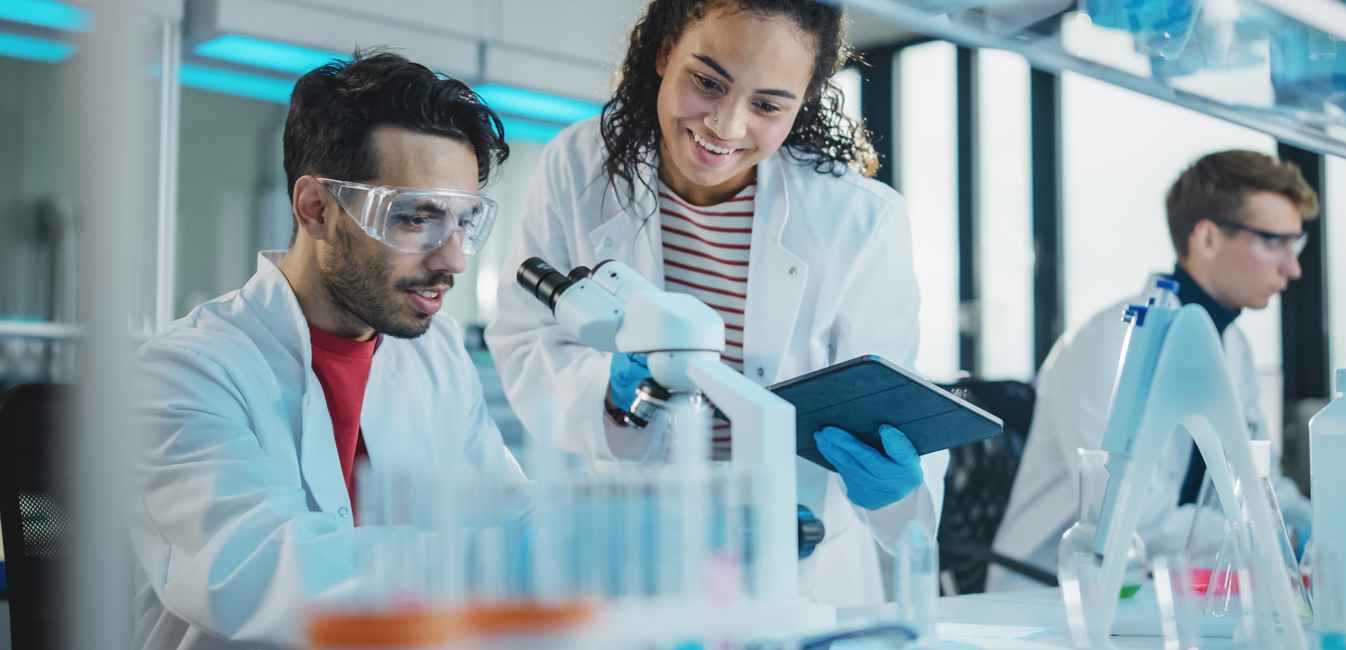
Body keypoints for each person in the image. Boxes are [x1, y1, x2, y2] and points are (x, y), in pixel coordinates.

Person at [486, 0, 947, 606]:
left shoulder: (858, 217)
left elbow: (888, 399)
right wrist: (611, 395)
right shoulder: (578, 166)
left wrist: (895, 492)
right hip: (634, 556)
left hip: (802, 568)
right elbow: (528, 341)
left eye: (767, 105)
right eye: (707, 83)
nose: (726, 126)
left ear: (802, 102)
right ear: (663, 52)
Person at [129, 52, 524, 650]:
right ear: (315, 208)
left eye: (465, 222)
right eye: (417, 218)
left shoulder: (435, 354)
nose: (453, 260)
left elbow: (509, 517)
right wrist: (496, 566)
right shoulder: (185, 372)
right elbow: (259, 572)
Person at [989, 150, 1318, 592]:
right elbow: (1134, 516)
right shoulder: (1114, 341)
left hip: (1161, 590)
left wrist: (1318, 531)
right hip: (1050, 598)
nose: (1292, 268)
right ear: (1207, 239)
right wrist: (1269, 540)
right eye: (1274, 241)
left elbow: (1261, 486)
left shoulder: (1232, 348)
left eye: (1296, 245)